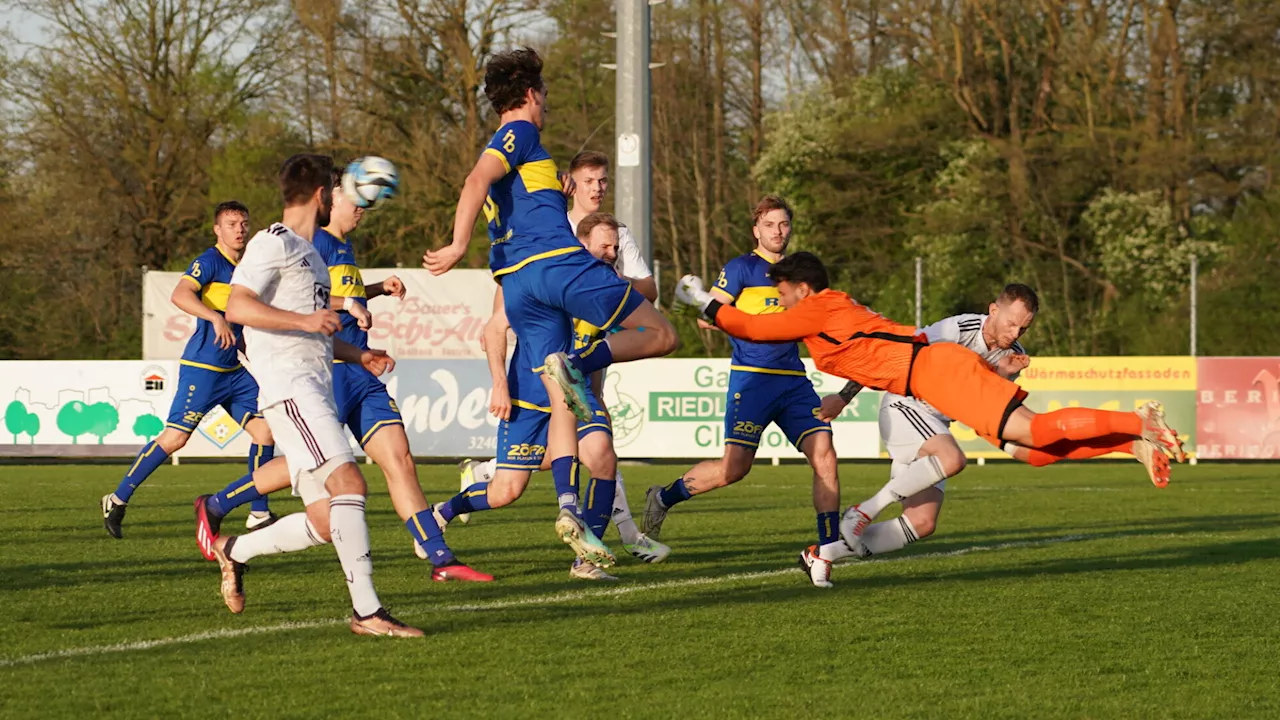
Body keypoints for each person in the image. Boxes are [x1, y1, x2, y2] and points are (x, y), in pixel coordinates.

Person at [674, 252, 1186, 586]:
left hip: (929, 383)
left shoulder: (817, 307)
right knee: (992, 472)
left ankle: (1136, 422)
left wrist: (704, 303)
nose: (780, 301)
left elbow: (758, 328)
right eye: (1010, 322)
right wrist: (846, 397)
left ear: (802, 289)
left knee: (1023, 438)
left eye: (783, 292)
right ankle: (828, 551)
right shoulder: (831, 314)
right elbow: (873, 348)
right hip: (926, 385)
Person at [423, 48, 678, 554]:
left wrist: (553, 195)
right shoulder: (521, 132)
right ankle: (577, 363)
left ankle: (568, 504)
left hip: (518, 285)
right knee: (660, 333)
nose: (546, 107)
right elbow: (476, 180)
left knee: (561, 396)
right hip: (553, 268)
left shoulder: (525, 159)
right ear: (531, 95)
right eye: (545, 97)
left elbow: (508, 194)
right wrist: (456, 243)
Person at [193, 169, 490, 583]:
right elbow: (288, 299)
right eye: (354, 199)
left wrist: (373, 295)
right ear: (327, 199)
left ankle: (439, 556)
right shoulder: (302, 242)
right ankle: (218, 506)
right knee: (304, 466)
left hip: (357, 366)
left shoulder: (339, 246)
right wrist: (343, 308)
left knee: (399, 456)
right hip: (320, 372)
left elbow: (336, 297)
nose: (362, 209)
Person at [807, 286, 1170, 575]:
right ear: (993, 310)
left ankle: (826, 552)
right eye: (1011, 323)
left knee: (925, 521)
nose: (1015, 333)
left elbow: (978, 398)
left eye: (1024, 328)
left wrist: (1004, 381)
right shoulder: (956, 330)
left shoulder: (1013, 353)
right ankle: (862, 512)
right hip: (907, 406)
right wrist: (844, 396)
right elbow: (893, 353)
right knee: (954, 456)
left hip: (943, 419)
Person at [212, 153, 419, 636]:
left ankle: (233, 550)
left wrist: (357, 354)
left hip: (315, 387)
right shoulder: (273, 241)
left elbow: (316, 333)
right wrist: (307, 321)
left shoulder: (311, 256)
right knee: (351, 483)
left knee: (327, 521)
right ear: (323, 194)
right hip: (291, 391)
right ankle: (367, 612)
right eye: (336, 189)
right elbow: (238, 304)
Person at [444, 213, 670, 580]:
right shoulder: (549, 273)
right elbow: (494, 327)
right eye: (605, 245)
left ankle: (587, 558)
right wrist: (499, 383)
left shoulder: (604, 288)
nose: (612, 253)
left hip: (574, 388)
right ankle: (445, 510)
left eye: (616, 247)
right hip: (532, 393)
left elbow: (602, 348)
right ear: (581, 244)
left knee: (602, 456)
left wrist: (597, 403)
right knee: (506, 491)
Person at [638, 196, 841, 587]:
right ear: (756, 230)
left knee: (825, 454)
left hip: (794, 381)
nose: (778, 232)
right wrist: (753, 323)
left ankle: (826, 553)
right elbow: (707, 320)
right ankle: (663, 498)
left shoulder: (799, 271)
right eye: (770, 225)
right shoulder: (741, 268)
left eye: (783, 224)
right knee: (734, 469)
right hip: (752, 379)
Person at [101, 201, 276, 539]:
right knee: (175, 438)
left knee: (266, 432)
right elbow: (180, 295)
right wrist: (214, 317)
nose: (239, 229)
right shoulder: (209, 261)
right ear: (217, 230)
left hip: (236, 372)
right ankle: (117, 499)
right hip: (204, 368)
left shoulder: (249, 267)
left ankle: (258, 512)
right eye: (231, 223)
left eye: (244, 222)